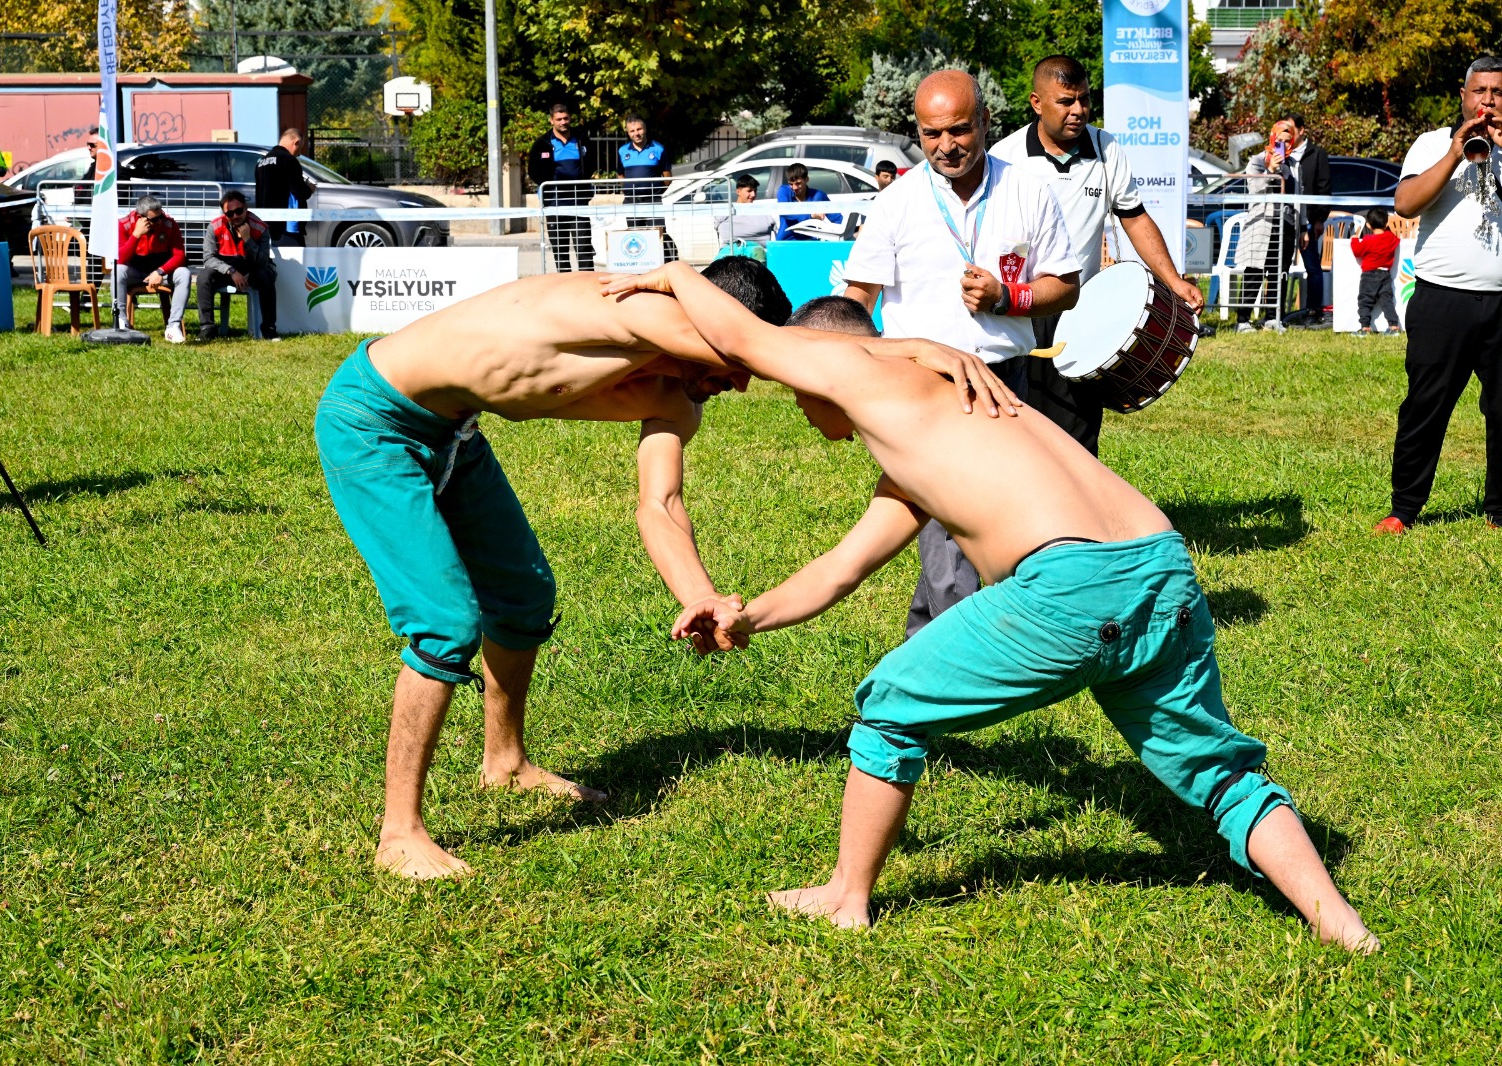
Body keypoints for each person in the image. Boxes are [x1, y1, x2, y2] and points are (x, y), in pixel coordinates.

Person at [608, 264, 1380, 954]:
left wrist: (675, 274)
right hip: (1162, 566)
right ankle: (1339, 922)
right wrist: (746, 617)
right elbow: (842, 570)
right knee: (1219, 772)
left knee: (887, 705)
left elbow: (744, 336)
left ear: (821, 368)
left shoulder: (854, 371)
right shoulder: (935, 409)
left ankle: (845, 898)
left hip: (1071, 588)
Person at [315, 259, 1015, 881]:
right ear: (700, 323)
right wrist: (919, 349)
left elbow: (661, 503)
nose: (739, 385)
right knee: (444, 623)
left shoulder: (673, 392)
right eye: (729, 364)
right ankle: (399, 832)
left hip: (453, 430)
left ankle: (506, 763)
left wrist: (701, 595)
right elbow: (769, 349)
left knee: (523, 597)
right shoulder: (635, 311)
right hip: (375, 419)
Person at [840, 68, 1081, 639]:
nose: (945, 146)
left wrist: (1010, 296)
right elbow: (858, 297)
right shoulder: (897, 202)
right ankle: (955, 664)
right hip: (926, 388)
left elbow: (1065, 284)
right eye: (930, 134)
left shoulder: (1028, 189)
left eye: (958, 130)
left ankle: (924, 645)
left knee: (986, 519)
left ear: (986, 122)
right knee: (950, 531)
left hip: (1007, 380)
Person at [990, 54, 1205, 455]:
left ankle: (1081, 513)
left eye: (1085, 100)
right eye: (1066, 101)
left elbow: (1135, 218)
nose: (1079, 111)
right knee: (1021, 428)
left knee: (1078, 430)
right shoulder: (1005, 157)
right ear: (1037, 103)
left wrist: (1174, 281)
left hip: (1079, 311)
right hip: (1021, 308)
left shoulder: (1107, 148)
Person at [1376, 56, 1502, 535]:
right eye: (1480, 91)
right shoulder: (1432, 142)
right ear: (1464, 94)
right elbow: (1405, 203)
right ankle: (1403, 509)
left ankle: (1499, 511)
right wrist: (1454, 153)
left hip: (1500, 300)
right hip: (1441, 298)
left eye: (1498, 93)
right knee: (1425, 407)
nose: (1488, 101)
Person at [1235, 119, 1299, 333]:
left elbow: (1297, 196)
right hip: (1261, 226)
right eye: (1279, 140)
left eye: (1287, 141)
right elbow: (1253, 187)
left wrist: (1303, 227)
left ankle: (1273, 318)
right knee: (1253, 273)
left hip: (1286, 225)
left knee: (1279, 273)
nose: (1283, 144)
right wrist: (1270, 169)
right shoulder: (1257, 160)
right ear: (1272, 137)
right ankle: (1242, 320)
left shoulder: (1292, 164)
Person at [196, 190, 278, 342]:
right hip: (227, 269)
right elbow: (208, 258)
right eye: (230, 213)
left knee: (266, 275)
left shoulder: (261, 228)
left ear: (246, 208)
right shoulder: (215, 227)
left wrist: (248, 240)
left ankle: (269, 329)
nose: (235, 216)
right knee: (203, 277)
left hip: (253, 268)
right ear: (225, 214)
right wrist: (231, 271)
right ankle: (207, 328)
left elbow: (262, 262)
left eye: (239, 211)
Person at [114, 193, 192, 344]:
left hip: (162, 271)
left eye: (161, 216)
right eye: (154, 219)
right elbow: (121, 259)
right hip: (135, 272)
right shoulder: (124, 224)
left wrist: (160, 272)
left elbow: (180, 256)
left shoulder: (169, 224)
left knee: (184, 273)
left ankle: (173, 327)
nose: (159, 221)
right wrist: (136, 235)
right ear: (140, 217)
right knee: (118, 271)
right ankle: (122, 323)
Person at [527, 103, 595, 273]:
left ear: (570, 118)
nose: (563, 122)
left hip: (579, 203)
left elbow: (592, 163)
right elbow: (533, 170)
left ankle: (588, 286)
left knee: (584, 247)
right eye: (559, 119)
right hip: (555, 203)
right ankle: (565, 287)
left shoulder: (581, 139)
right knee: (560, 250)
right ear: (552, 121)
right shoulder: (542, 143)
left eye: (565, 118)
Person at [1283, 112, 1333, 326]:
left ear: (1301, 131)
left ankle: (1314, 310)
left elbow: (1324, 187)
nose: (1287, 135)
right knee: (1281, 267)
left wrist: (1320, 218)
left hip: (1310, 220)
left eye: (1290, 130)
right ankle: (1276, 313)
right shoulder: (1281, 153)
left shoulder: (1317, 153)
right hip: (1286, 221)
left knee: (1313, 267)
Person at [616, 112, 672, 253]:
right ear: (628, 133)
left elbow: (667, 176)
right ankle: (640, 273)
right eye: (632, 131)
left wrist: (656, 192)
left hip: (652, 200)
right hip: (632, 201)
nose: (637, 133)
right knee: (635, 237)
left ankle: (660, 270)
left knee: (657, 237)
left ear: (645, 129)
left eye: (639, 129)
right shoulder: (622, 151)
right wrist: (628, 190)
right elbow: (620, 174)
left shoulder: (659, 149)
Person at [255, 128, 314, 248]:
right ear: (295, 143)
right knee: (297, 265)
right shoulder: (289, 160)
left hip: (266, 226)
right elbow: (300, 192)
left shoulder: (261, 162)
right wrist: (309, 188)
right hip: (287, 228)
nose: (299, 153)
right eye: (300, 147)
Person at [1350, 206, 1401, 337]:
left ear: (1368, 225)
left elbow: (1357, 251)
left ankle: (1365, 327)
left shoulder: (1368, 240)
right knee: (1387, 301)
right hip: (1385, 274)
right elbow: (1396, 240)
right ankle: (1393, 326)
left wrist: (1354, 238)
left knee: (1365, 301)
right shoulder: (1391, 238)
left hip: (1369, 275)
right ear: (1386, 223)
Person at [775, 163, 843, 240]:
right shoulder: (784, 191)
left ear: (807, 179)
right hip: (786, 242)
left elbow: (837, 219)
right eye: (791, 184)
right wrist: (810, 216)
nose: (794, 187)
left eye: (798, 183)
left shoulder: (819, 195)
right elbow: (785, 212)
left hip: (810, 243)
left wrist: (837, 233)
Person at [715, 174, 775, 248]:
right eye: (749, 191)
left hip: (760, 254)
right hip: (732, 255)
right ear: (738, 192)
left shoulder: (763, 212)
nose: (753, 194)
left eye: (755, 191)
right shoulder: (725, 212)